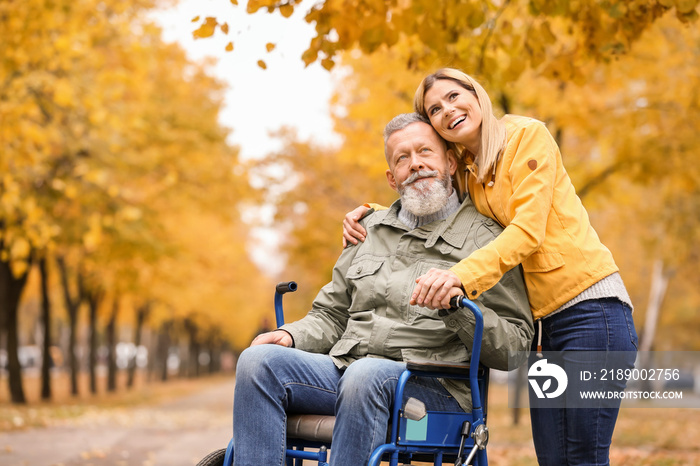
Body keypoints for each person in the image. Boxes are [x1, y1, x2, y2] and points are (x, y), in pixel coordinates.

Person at [342, 69, 638, 466]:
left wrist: (461, 275)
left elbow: (527, 232)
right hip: (547, 325)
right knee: (554, 457)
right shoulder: (469, 170)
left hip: (594, 312)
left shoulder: (527, 136)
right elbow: (435, 203)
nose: (448, 110)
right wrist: (375, 216)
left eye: (452, 96)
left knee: (583, 454)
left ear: (474, 93)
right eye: (434, 109)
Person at [233, 113, 533, 466]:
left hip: (433, 389)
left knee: (367, 374)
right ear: (393, 179)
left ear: (451, 162)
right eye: (402, 158)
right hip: (346, 372)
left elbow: (514, 347)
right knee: (257, 362)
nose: (416, 164)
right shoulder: (367, 230)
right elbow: (331, 315)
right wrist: (290, 335)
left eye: (425, 152)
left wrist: (457, 309)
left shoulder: (487, 240)